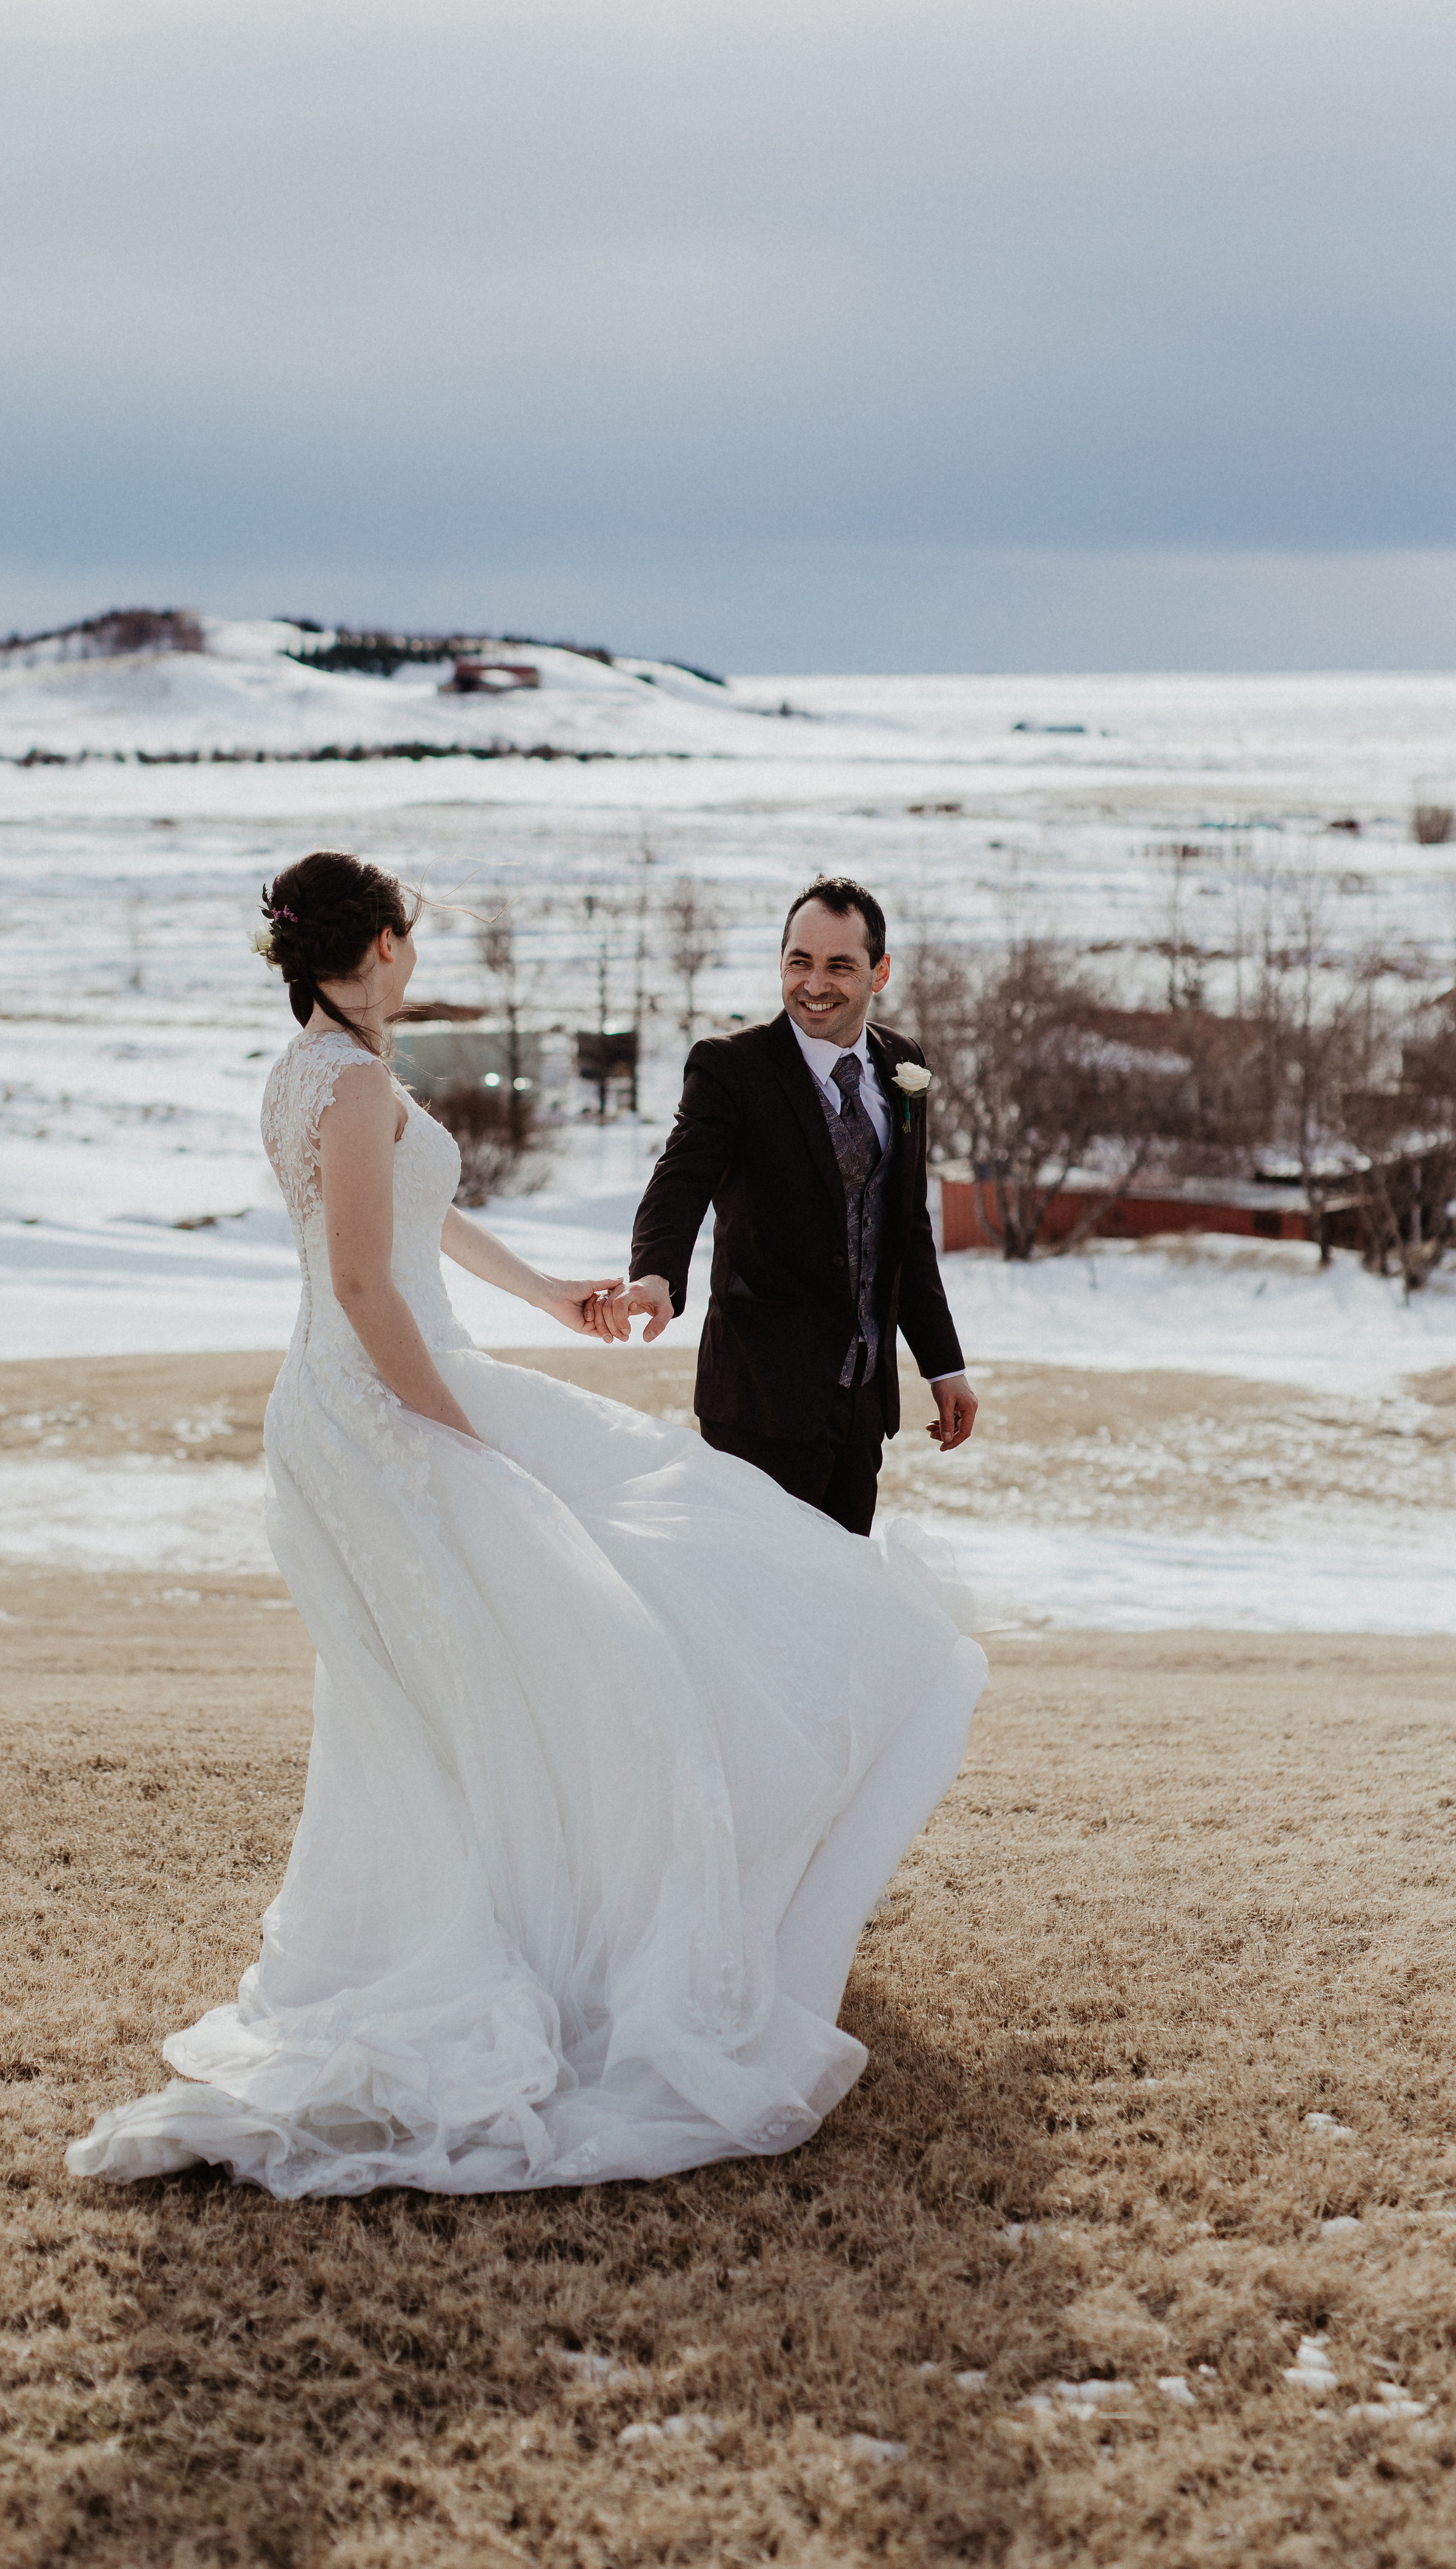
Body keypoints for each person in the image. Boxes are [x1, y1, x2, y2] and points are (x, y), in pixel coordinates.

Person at [67, 851, 985, 2201]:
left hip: (358, 1395)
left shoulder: (319, 1072)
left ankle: (541, 1914)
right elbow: (368, 1286)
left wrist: (554, 1296)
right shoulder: (354, 1082)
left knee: (462, 1697)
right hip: (390, 1405)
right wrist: (455, 1430)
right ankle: (570, 1943)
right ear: (383, 945)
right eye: (411, 940)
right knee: (597, 1644)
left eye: (836, 961)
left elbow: (418, 1225)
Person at [600, 878, 975, 1534]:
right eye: (800, 961)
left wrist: (944, 1365)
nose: (815, 984)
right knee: (756, 1590)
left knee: (839, 1590)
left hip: (862, 1404)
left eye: (839, 965)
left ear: (880, 972)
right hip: (759, 1401)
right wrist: (655, 1273)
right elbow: (680, 1179)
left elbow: (905, 1228)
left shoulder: (904, 1065)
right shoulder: (731, 1068)